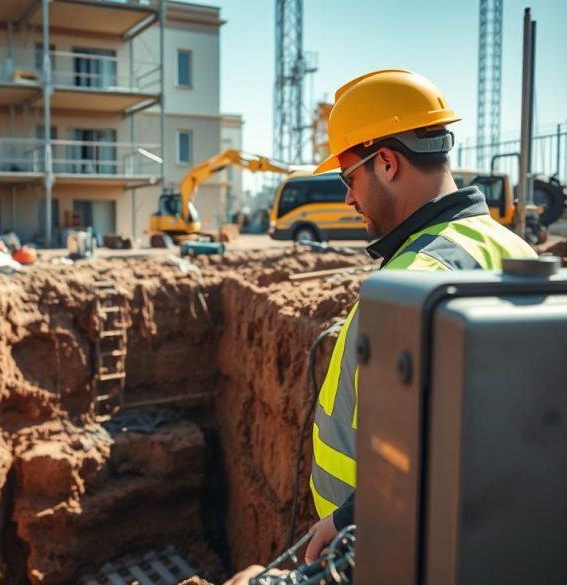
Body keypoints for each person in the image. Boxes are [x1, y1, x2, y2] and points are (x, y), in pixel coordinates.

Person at [224, 69, 536, 584]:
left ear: (387, 163)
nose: (347, 197)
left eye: (349, 178)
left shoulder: (410, 291)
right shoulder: (511, 249)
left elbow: (419, 492)